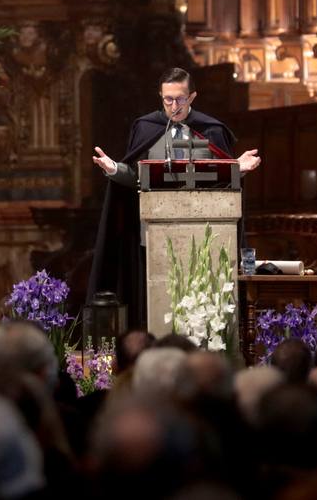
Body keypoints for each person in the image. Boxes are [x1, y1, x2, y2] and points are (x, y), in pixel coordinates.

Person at [88, 67, 260, 325]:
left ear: (192, 97)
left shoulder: (211, 130)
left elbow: (224, 181)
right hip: (154, 231)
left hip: (204, 232)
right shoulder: (146, 127)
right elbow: (135, 175)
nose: (174, 105)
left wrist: (238, 170)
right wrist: (114, 169)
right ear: (160, 96)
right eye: (168, 99)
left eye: (180, 99)